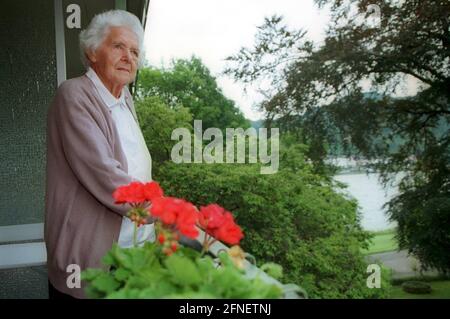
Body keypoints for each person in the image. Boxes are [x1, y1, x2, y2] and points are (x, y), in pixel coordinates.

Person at [44, 10, 154, 299]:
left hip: (133, 257)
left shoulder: (125, 100)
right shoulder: (74, 95)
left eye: (134, 51)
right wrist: (170, 212)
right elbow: (106, 176)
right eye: (118, 46)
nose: (129, 56)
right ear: (92, 51)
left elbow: (135, 169)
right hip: (90, 261)